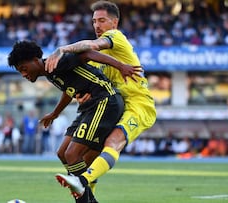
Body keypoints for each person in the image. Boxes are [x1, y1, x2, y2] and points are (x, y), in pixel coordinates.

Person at [45, 1, 156, 200]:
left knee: (114, 141)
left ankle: (82, 181)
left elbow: (91, 45)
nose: (97, 25)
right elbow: (90, 83)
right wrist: (83, 96)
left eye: (102, 20)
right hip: (115, 104)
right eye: (94, 21)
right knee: (84, 157)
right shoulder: (99, 58)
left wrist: (62, 49)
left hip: (138, 104)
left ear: (114, 23)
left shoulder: (115, 37)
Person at [8, 40, 138, 203]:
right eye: (20, 72)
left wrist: (120, 66)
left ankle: (86, 201)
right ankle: (89, 200)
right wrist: (55, 113)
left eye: (24, 69)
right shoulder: (50, 73)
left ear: (35, 60)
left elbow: (87, 54)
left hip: (105, 100)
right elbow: (68, 92)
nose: (24, 75)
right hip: (89, 107)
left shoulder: (58, 62)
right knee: (62, 153)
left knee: (72, 154)